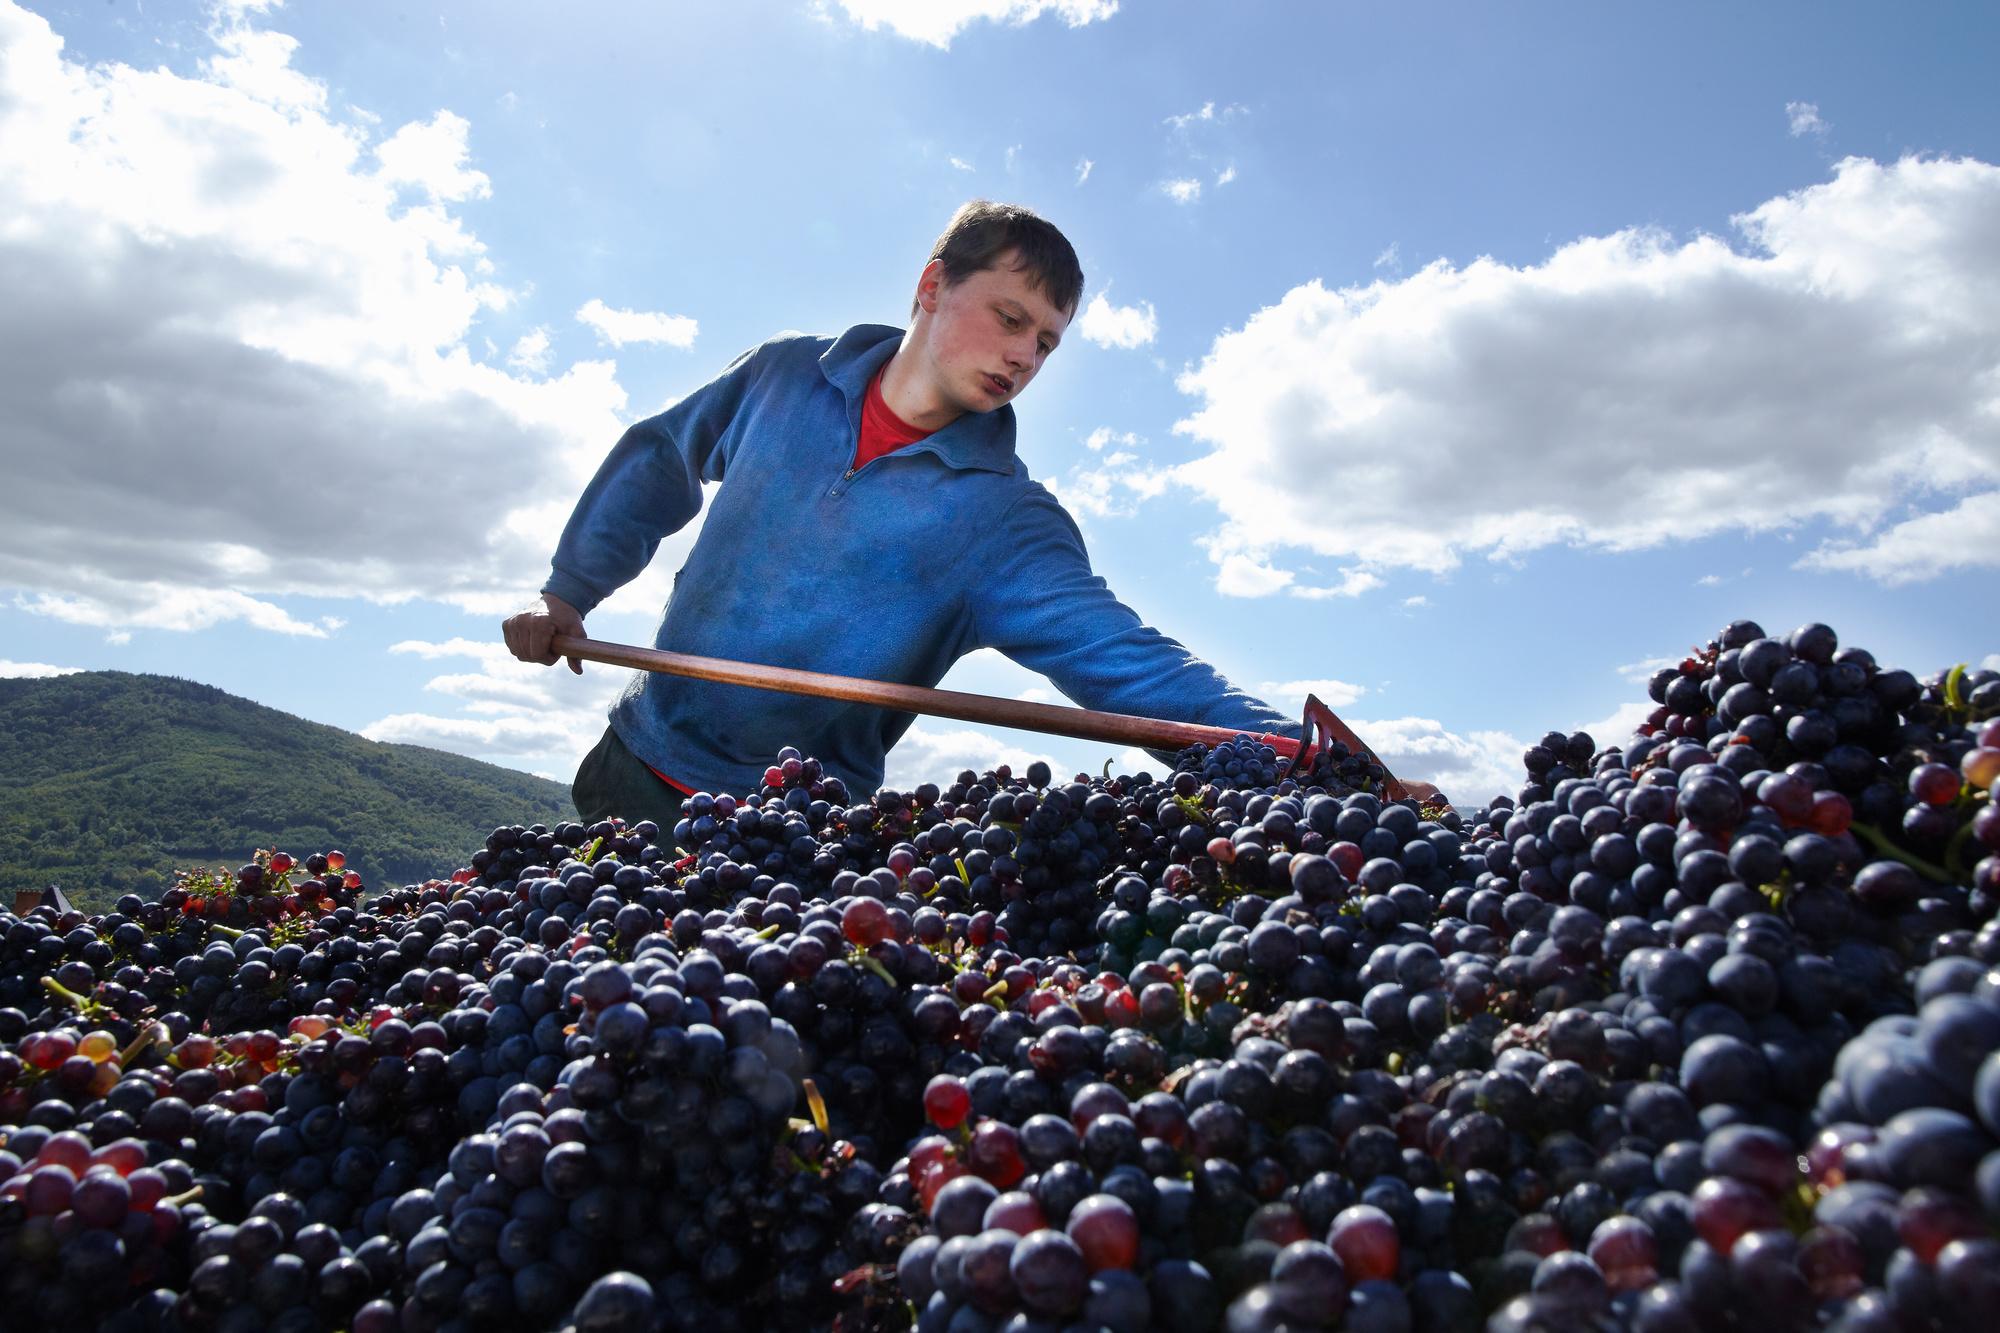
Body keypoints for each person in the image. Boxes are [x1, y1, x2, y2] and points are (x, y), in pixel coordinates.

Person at [502, 200, 1301, 834]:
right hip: (631, 765)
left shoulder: (1007, 522)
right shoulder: (783, 376)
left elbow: (1133, 667)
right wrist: (568, 589)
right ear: (931, 286)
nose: (1026, 356)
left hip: (789, 837)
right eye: (1011, 318)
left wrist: (1295, 757)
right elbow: (660, 461)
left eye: (1048, 344)